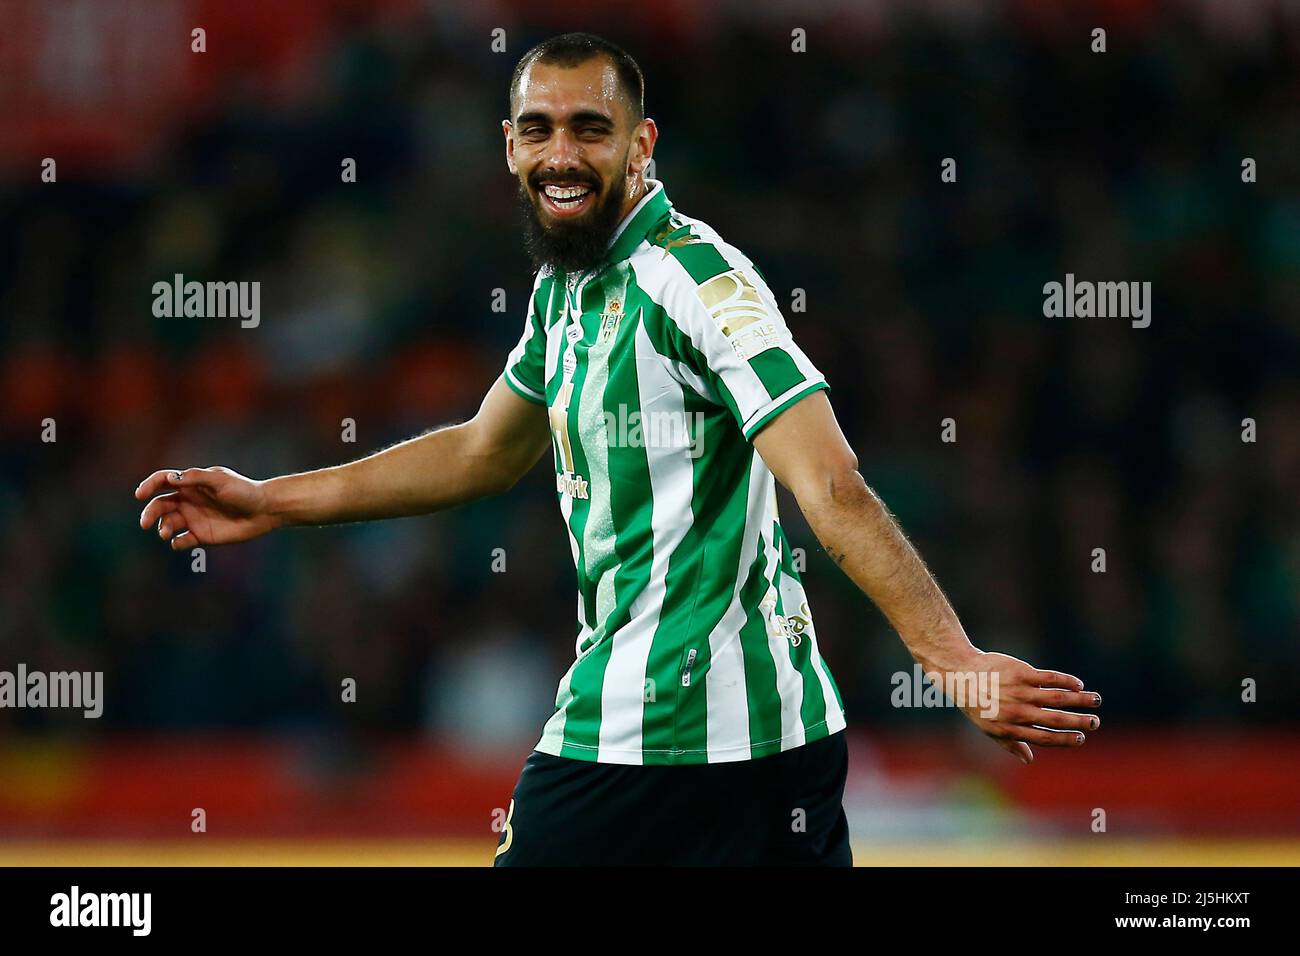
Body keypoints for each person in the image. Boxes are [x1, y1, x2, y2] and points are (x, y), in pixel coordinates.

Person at [135, 32, 1101, 866]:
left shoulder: (700, 281)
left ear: (641, 145)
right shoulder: (567, 294)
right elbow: (481, 452)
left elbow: (833, 484)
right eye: (539, 129)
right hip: (749, 744)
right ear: (508, 148)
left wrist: (952, 660)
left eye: (590, 130)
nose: (563, 153)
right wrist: (272, 501)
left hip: (663, 739)